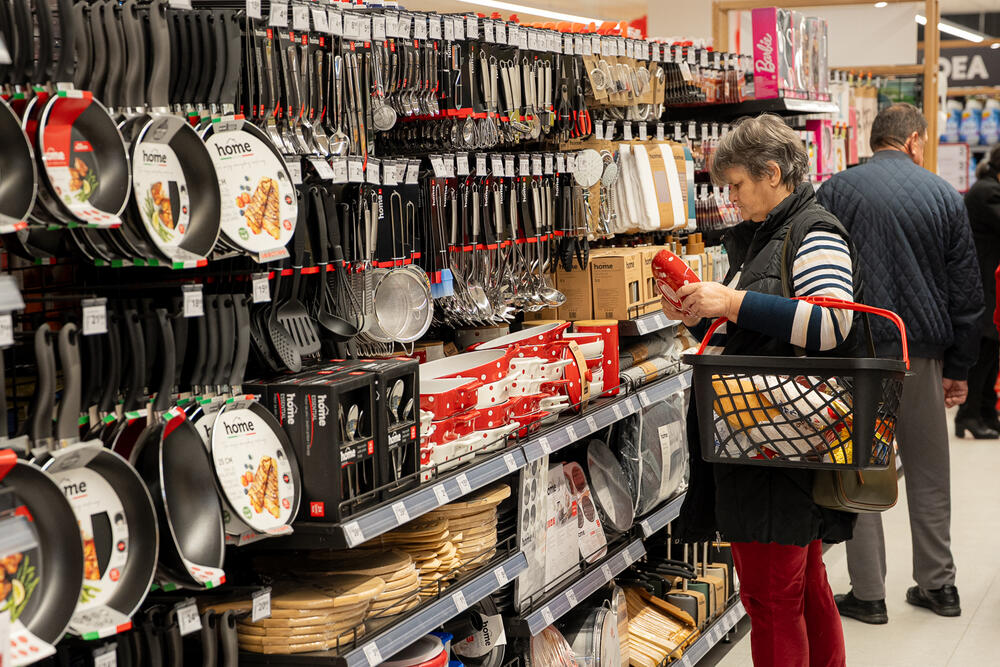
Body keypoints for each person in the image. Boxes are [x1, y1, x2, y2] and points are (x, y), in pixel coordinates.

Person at [671, 113, 868, 667]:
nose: (730, 199)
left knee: (771, 598)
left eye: (736, 185)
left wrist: (729, 302)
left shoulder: (813, 231)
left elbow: (831, 324)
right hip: (769, 440)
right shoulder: (768, 236)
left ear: (773, 173)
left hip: (777, 445)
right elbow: (757, 328)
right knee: (803, 588)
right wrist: (700, 314)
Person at [815, 103, 983, 623]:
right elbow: (968, 292)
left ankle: (868, 594)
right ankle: (939, 585)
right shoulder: (943, 195)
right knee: (931, 471)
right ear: (912, 140)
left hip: (858, 359)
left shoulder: (836, 192)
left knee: (862, 469)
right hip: (924, 357)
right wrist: (960, 367)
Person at [957, 145, 1000, 438]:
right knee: (985, 350)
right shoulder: (987, 192)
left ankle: (986, 411)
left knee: (993, 350)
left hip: (991, 281)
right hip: (985, 283)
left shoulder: (989, 188)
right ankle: (968, 414)